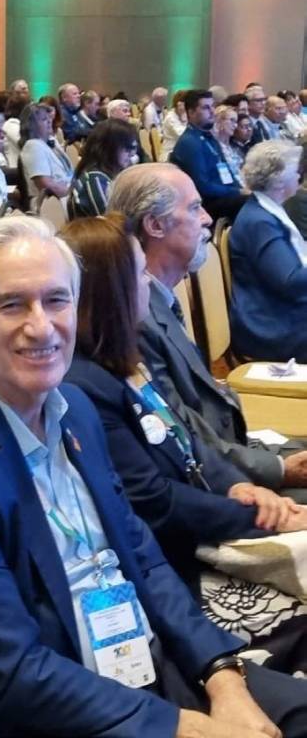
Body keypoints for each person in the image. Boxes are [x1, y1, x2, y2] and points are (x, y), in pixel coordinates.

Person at [0, 214, 307, 738]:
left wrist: (222, 677)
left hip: (131, 667)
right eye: (11, 305)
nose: (41, 326)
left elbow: (143, 557)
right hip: (30, 711)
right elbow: (11, 674)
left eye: (56, 300)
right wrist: (185, 727)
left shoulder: (74, 409)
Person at [63, 215, 307, 668]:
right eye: (139, 273)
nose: (148, 282)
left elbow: (186, 438)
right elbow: (155, 503)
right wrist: (258, 515)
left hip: (206, 524)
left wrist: (239, 485)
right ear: (113, 290)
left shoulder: (124, 357)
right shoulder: (84, 386)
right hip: (177, 568)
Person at [107, 162, 307, 497]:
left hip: (230, 448)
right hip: (214, 481)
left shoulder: (160, 298)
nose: (207, 218)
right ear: (155, 225)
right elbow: (183, 437)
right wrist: (279, 468)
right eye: (194, 208)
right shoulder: (136, 318)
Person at [229, 140, 307, 362]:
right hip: (272, 326)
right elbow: (290, 282)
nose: (299, 176)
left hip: (280, 310)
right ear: (279, 180)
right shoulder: (259, 222)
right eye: (295, 171)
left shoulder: (264, 210)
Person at [170, 89, 247, 221]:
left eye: (212, 106)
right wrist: (237, 192)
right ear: (191, 112)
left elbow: (226, 170)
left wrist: (240, 189)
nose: (212, 111)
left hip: (224, 196)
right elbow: (203, 186)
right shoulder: (190, 143)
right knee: (253, 203)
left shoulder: (209, 138)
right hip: (205, 204)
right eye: (206, 107)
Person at [68, 118, 139, 218]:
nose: (132, 154)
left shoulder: (107, 174)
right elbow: (111, 222)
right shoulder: (94, 180)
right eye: (127, 149)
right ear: (110, 148)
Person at [20, 102, 73, 211]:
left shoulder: (51, 141)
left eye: (49, 118)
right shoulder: (33, 146)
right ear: (31, 126)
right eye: (44, 119)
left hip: (66, 196)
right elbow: (45, 185)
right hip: (53, 204)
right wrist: (73, 192)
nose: (49, 121)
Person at [213, 105, 245, 186]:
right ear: (219, 121)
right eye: (232, 120)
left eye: (236, 122)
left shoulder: (234, 145)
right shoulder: (214, 147)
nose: (235, 125)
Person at [160, 90, 188, 162]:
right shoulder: (171, 117)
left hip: (180, 152)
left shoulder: (182, 116)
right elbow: (183, 135)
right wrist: (184, 119)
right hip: (169, 154)